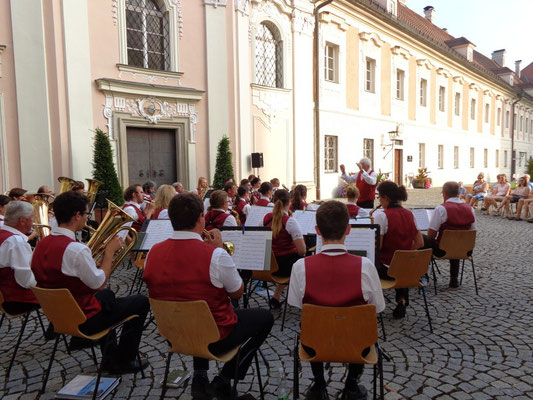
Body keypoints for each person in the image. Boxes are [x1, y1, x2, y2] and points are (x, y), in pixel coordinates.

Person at [143, 193, 274, 400]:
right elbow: (237, 291)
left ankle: (200, 376)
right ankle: (224, 379)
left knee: (193, 309)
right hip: (214, 337)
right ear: (200, 219)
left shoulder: (152, 253)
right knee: (266, 318)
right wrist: (219, 250)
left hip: (173, 333)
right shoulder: (215, 255)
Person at [31, 191, 149, 374]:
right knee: (141, 301)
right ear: (77, 216)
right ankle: (123, 361)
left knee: (108, 295)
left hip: (60, 315)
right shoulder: (76, 250)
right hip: (84, 319)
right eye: (87, 214)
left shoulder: (42, 244)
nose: (88, 218)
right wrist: (109, 253)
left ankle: (109, 359)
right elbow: (99, 283)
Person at [288, 200, 385, 400]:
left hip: (314, 343)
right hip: (357, 344)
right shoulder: (365, 266)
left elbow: (297, 305)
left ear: (317, 230)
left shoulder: (300, 267)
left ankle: (319, 384)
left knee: (311, 324)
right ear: (348, 229)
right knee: (363, 328)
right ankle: (351, 386)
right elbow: (378, 308)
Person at [373, 182, 423, 318]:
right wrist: (405, 255)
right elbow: (420, 242)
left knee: (368, 265)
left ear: (386, 198)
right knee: (402, 266)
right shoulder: (409, 214)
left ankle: (370, 303)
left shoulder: (381, 216)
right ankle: (402, 300)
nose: (379, 201)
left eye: (379, 197)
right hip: (406, 270)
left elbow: (378, 247)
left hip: (387, 269)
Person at [423, 182, 476, 288]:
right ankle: (454, 278)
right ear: (459, 193)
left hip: (442, 250)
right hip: (465, 250)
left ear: (445, 193)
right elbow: (473, 231)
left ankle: (424, 274)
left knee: (422, 239)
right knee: (456, 241)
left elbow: (431, 235)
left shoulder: (441, 209)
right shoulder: (470, 209)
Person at [263, 189, 306, 309]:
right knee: (304, 262)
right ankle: (303, 298)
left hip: (269, 265)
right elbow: (302, 251)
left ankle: (276, 298)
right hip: (284, 267)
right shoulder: (290, 222)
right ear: (289, 203)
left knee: (291, 261)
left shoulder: (266, 218)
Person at [0, 201, 40, 314]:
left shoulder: (3, 235)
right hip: (18, 300)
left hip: (5, 296)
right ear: (22, 220)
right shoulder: (16, 242)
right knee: (67, 290)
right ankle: (57, 328)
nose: (34, 222)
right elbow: (26, 281)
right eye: (33, 218)